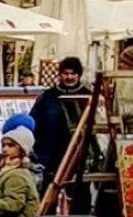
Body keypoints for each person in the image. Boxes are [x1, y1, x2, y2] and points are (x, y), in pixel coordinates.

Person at [29, 57, 91, 200]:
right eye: (65, 73)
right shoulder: (48, 96)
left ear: (79, 75)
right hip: (50, 153)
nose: (69, 77)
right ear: (60, 74)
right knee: (48, 194)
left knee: (79, 195)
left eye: (73, 73)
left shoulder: (88, 95)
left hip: (78, 154)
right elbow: (35, 120)